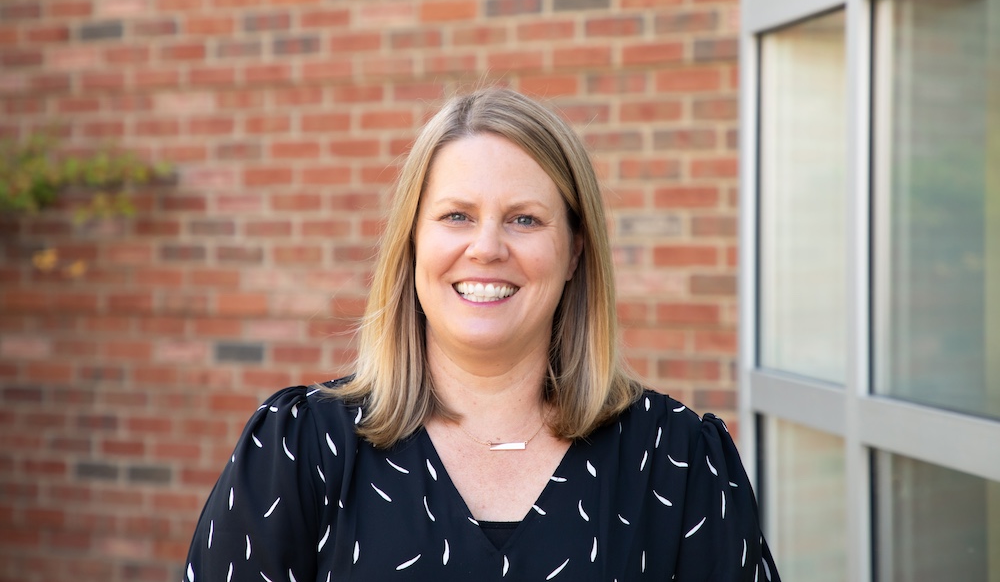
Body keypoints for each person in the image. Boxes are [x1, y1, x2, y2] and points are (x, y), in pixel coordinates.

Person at [184, 87, 781, 581]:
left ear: (575, 250)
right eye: (456, 216)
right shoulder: (299, 451)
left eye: (524, 219)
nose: (487, 248)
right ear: (413, 242)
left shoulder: (678, 462)